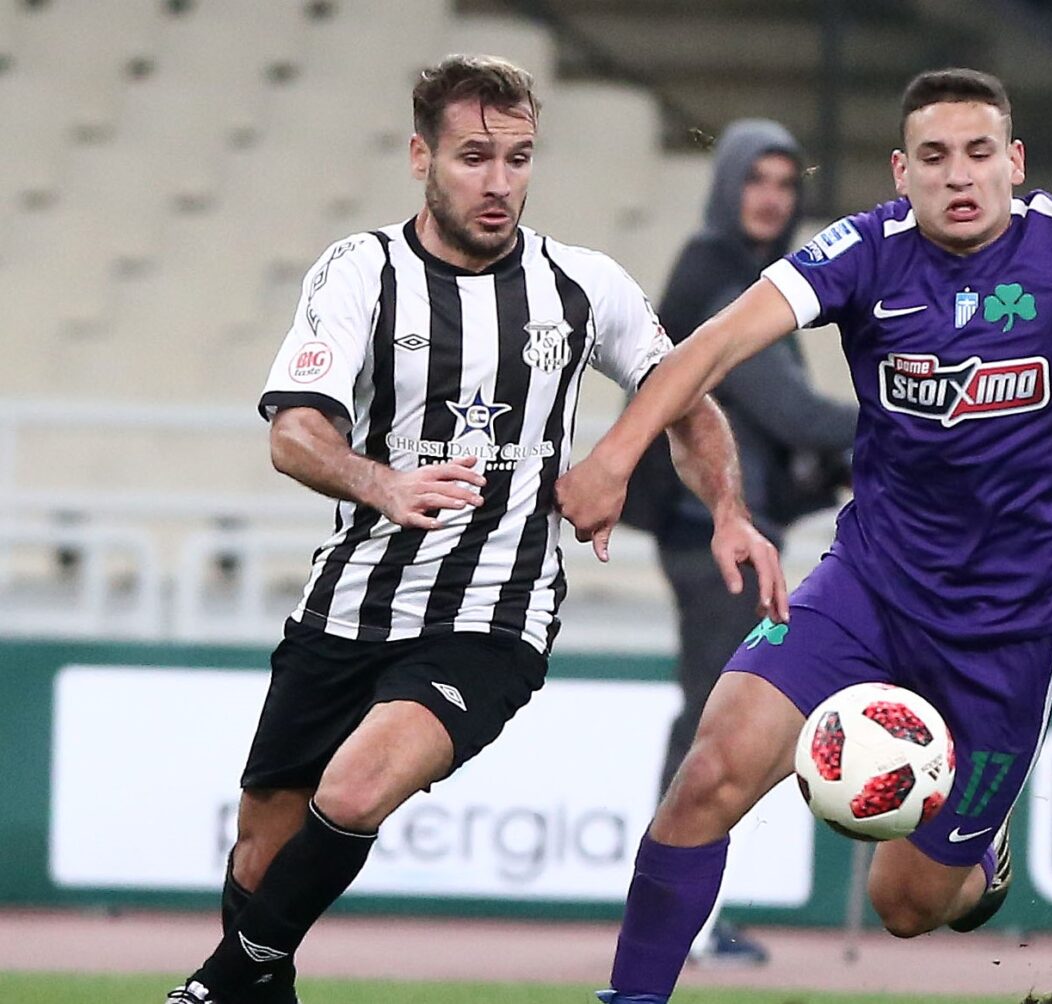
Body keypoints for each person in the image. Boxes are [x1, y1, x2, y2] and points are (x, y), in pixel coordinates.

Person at [555, 68, 1052, 1004]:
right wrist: (613, 457)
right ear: (902, 172)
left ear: (1015, 161)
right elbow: (716, 344)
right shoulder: (866, 250)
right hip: (869, 587)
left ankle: (979, 859)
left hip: (1007, 632)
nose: (958, 174)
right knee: (710, 774)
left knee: (906, 904)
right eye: (933, 156)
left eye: (979, 152)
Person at [164, 54, 786, 1004]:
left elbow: (689, 403)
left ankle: (210, 987)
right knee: (262, 850)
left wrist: (729, 513)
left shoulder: (583, 286)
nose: (499, 183)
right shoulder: (362, 272)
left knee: (355, 788)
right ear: (422, 157)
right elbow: (294, 434)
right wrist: (380, 483)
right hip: (351, 602)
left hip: (493, 615)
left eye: (518, 158)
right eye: (473, 158)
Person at [647, 119, 858, 965]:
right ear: (726, 185)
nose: (771, 198)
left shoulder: (735, 272)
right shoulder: (722, 277)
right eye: (756, 180)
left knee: (709, 718)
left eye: (785, 182)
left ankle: (679, 912)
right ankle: (682, 919)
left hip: (717, 529)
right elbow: (791, 414)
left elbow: (780, 435)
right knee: (714, 727)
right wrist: (921, 425)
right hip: (713, 534)